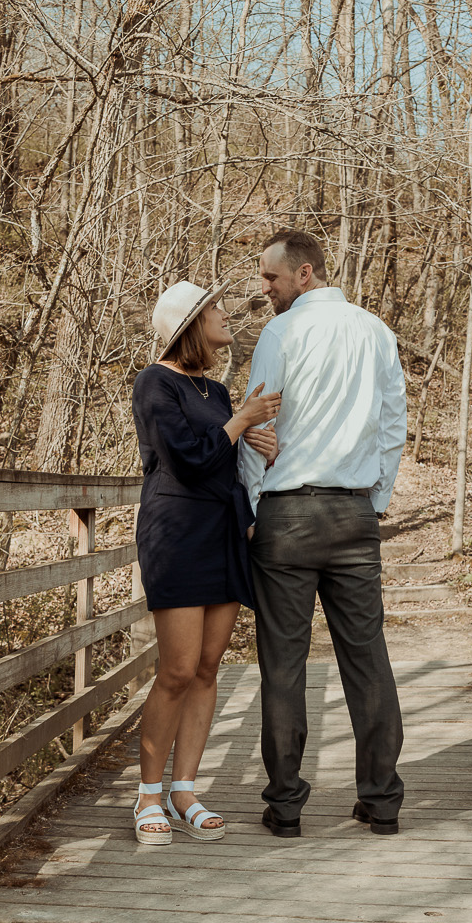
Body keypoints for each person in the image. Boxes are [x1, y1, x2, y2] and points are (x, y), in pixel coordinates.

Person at [239, 228, 407, 839]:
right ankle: (382, 801)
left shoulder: (282, 333)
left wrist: (251, 504)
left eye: (271, 278)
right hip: (353, 514)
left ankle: (285, 808)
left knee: (283, 665)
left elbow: (259, 421)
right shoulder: (376, 332)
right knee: (367, 660)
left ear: (304, 274)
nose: (265, 290)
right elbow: (394, 426)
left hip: (288, 515)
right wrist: (378, 498)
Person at [131, 280, 280, 844]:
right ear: (191, 323)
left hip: (223, 534)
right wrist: (240, 423)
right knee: (175, 668)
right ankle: (148, 797)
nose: (226, 315)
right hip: (175, 535)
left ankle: (185, 789)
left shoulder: (217, 392)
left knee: (208, 668)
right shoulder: (154, 383)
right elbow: (189, 461)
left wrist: (254, 447)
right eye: (215, 308)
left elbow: (221, 465)